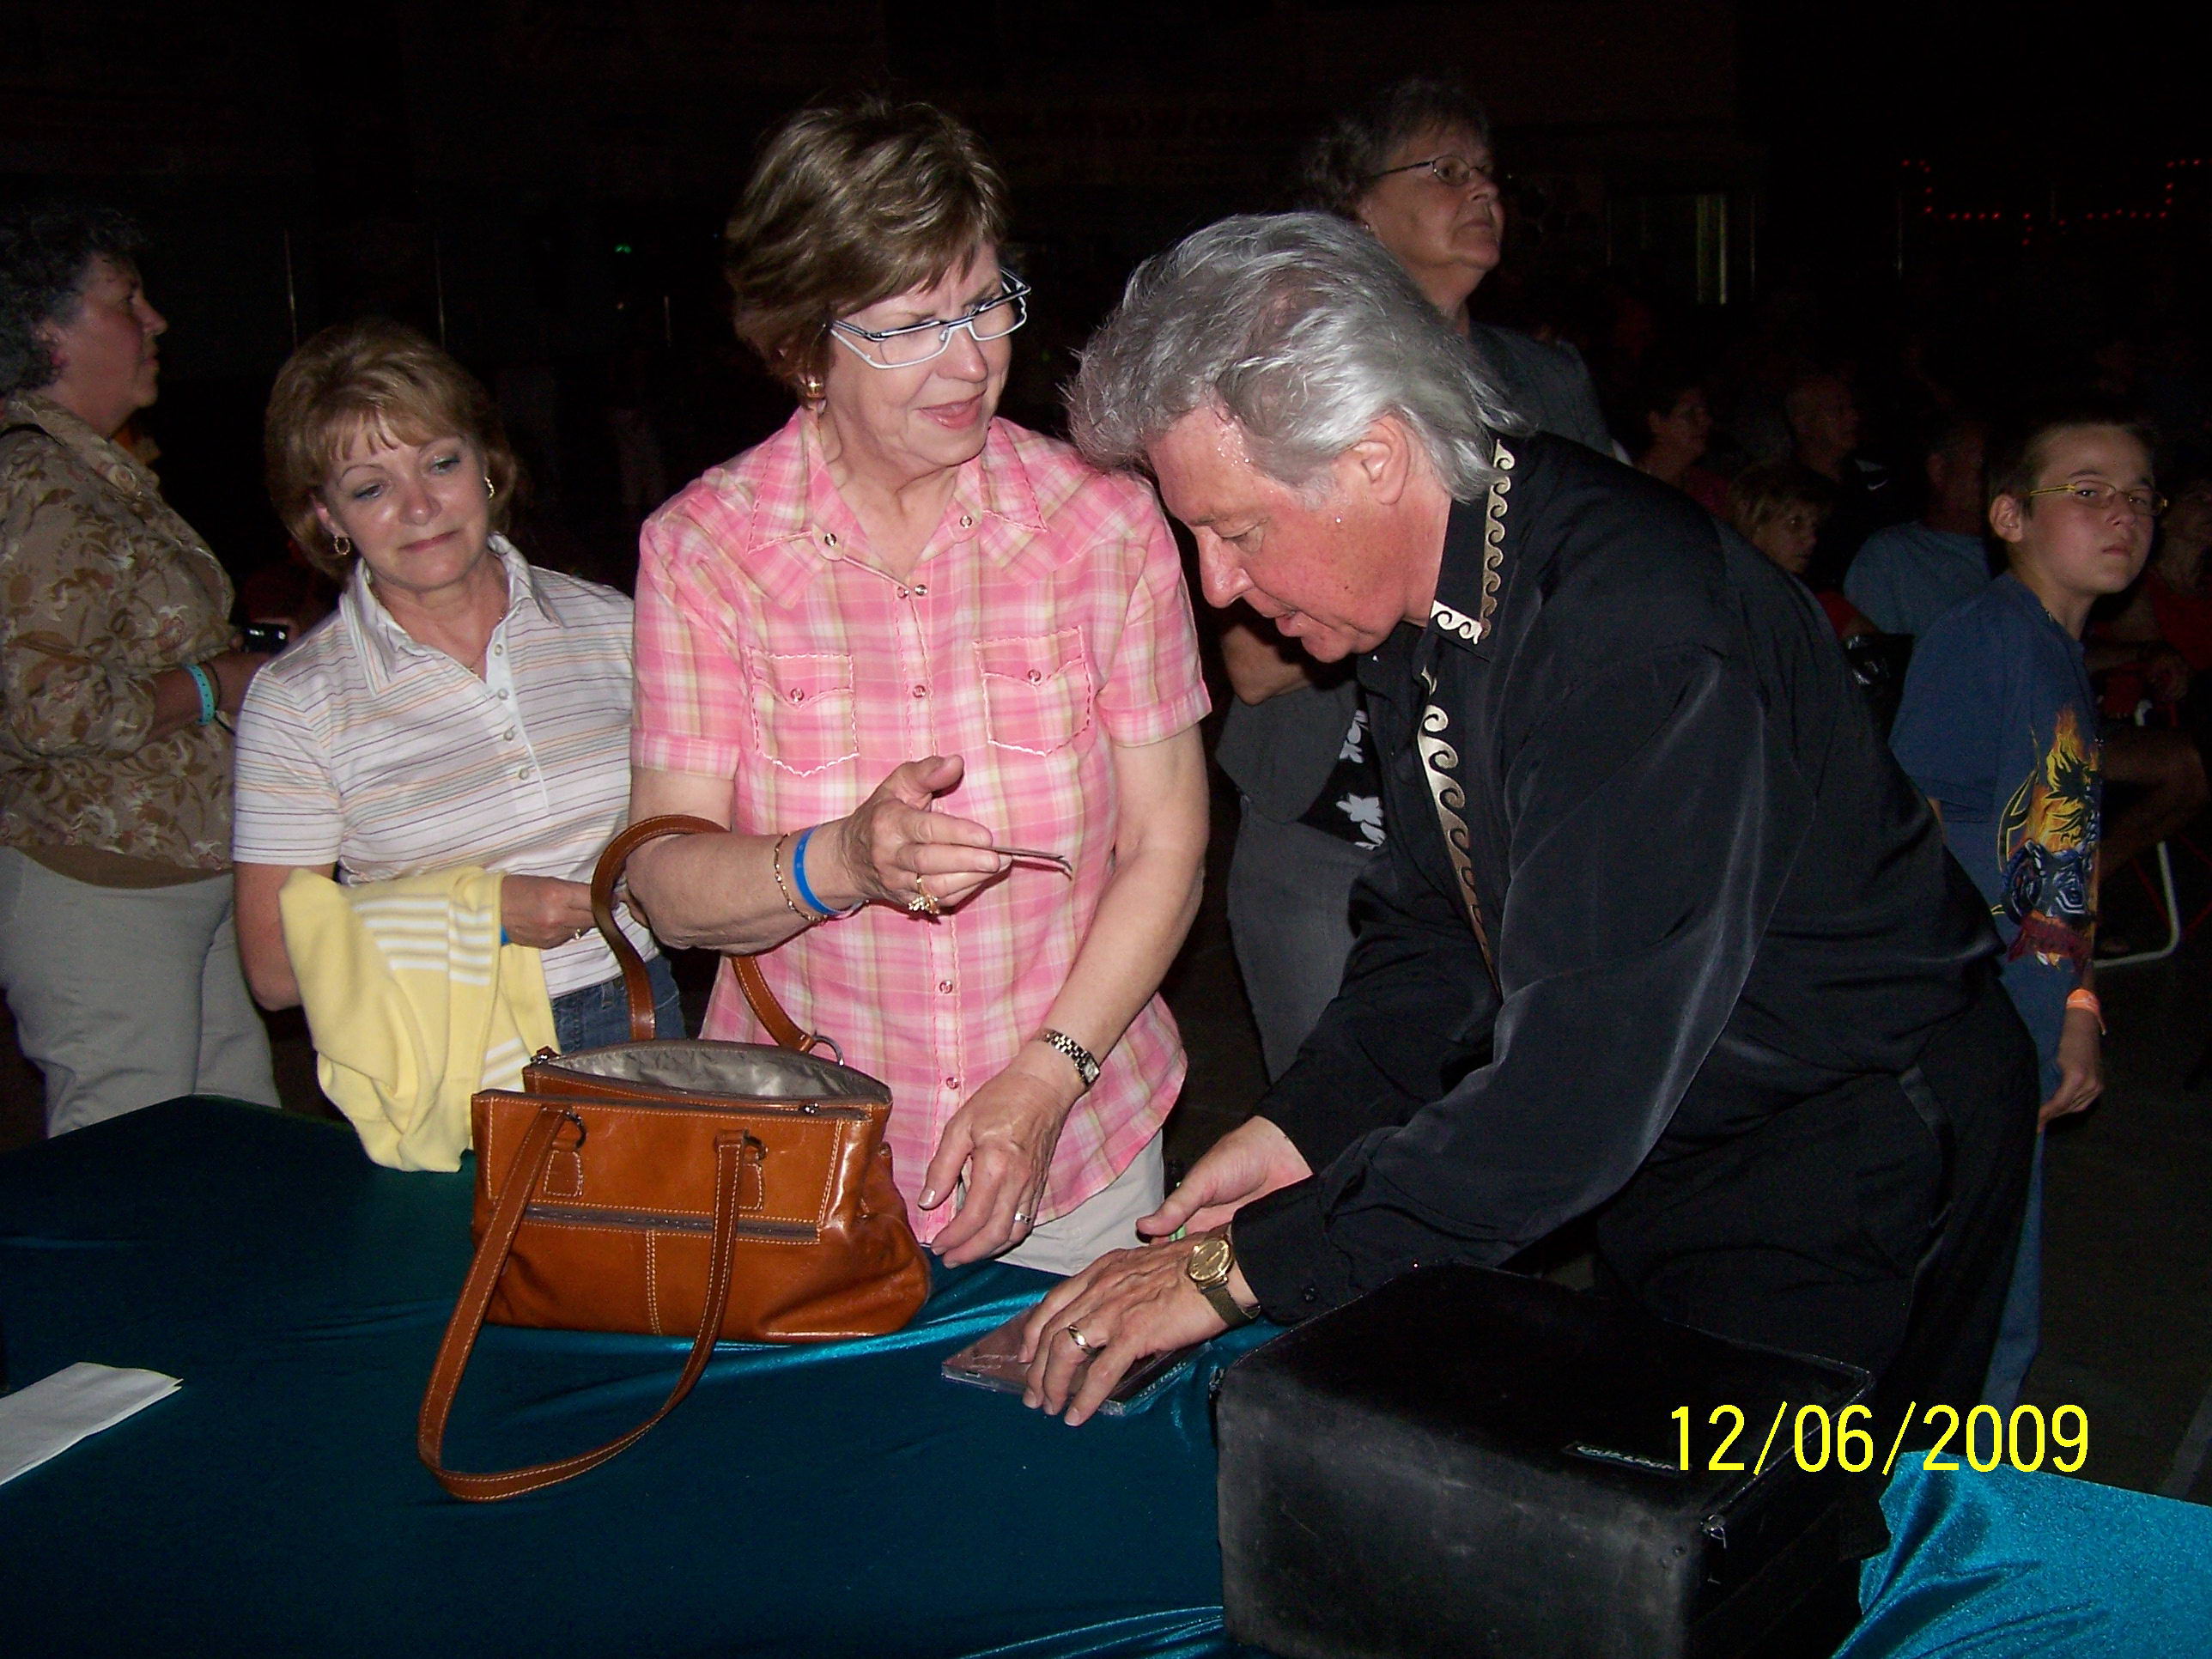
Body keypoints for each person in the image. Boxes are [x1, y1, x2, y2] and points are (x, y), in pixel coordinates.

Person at [1018, 212, 2034, 1428]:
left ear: (1374, 457)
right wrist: (1305, 1126)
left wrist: (1240, 1270)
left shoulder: (1631, 633)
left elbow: (1574, 1090)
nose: (1216, 585)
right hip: (1682, 1120)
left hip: (1849, 1132)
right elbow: (1439, 918)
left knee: (1794, 1517)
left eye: (1236, 530)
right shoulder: (1435, 581)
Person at [620, 100, 1210, 1276]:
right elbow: (663, 880)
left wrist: (1043, 1083)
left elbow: (1165, 844)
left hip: (1078, 1152)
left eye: (985, 304)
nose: (971, 360)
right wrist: (840, 862)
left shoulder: (1102, 525)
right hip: (803, 1158)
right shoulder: (706, 550)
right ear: (803, 349)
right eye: (909, 327)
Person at [1217, 76, 1618, 1080]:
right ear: (1356, 207)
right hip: (1329, 835)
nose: (1480, 191)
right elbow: (1253, 665)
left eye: (1486, 172)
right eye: (1442, 170)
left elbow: (1602, 590)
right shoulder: (1284, 388)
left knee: (1504, 1129)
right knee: (1329, 1125)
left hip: (1510, 838)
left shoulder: (1546, 384)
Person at [231, 319, 679, 1058]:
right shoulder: (298, 701)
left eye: (441, 463)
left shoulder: (613, 626)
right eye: (371, 487)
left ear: (487, 465)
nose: (419, 507)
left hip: (638, 1013)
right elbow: (274, 966)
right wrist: (480, 917)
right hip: (439, 1048)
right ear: (327, 516)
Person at [1888, 409, 2154, 1409]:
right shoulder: (1981, 641)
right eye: (2085, 491)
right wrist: (1950, 1029)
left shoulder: (2053, 656)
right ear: (2008, 516)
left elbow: (2061, 857)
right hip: (1970, 1020)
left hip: (2026, 1012)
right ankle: (1936, 1496)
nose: (2120, 513)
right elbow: (1905, 834)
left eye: (2138, 496)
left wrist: (2077, 1006)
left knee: (1999, 1296)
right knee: (1970, 1311)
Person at [0, 204, 278, 1134]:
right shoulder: (34, 480)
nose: (155, 320)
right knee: (127, 1156)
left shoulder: (91, 471)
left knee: (229, 1140)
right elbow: (42, 705)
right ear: (46, 330)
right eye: (126, 300)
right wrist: (215, 684)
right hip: (98, 887)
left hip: (174, 873)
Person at [1844, 416, 1995, 638]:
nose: (1997, 480)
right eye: (1984, 467)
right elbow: (1873, 652)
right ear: (1939, 469)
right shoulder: (1891, 557)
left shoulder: (2019, 552)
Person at [1727, 460, 1875, 640]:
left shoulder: (1820, 607)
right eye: (1794, 524)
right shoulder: (1720, 601)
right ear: (1755, 523)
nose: (1812, 540)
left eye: (1814, 527)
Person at [1787, 371, 1902, 589]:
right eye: (1839, 410)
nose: (1854, 418)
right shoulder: (1780, 492)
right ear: (1802, 422)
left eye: (1853, 409)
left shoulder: (1879, 479)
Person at [1632, 365, 1729, 518]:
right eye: (1690, 414)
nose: (1706, 421)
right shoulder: (1630, 489)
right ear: (1656, 422)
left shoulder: (1715, 491)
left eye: (1705, 412)